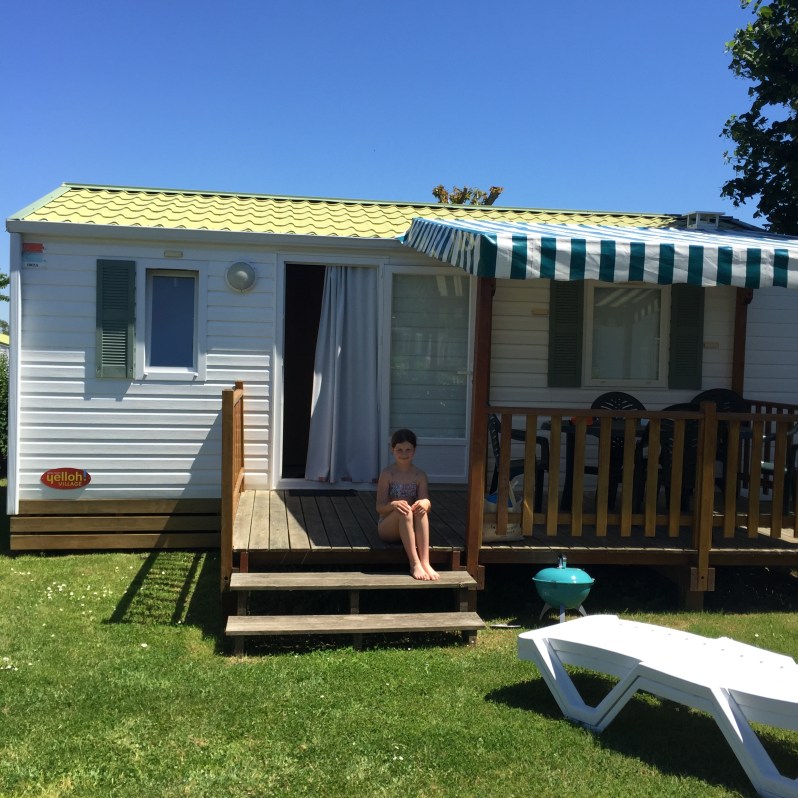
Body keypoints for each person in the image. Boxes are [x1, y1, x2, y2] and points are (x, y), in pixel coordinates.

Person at [376, 429, 439, 581]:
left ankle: (425, 562)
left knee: (420, 510)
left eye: (408, 449)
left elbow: (427, 502)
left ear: (414, 450)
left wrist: (425, 503)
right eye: (399, 450)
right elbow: (379, 507)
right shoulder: (387, 474)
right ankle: (415, 563)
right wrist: (393, 505)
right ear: (392, 450)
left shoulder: (419, 475)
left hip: (412, 527)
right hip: (388, 526)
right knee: (404, 511)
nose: (404, 454)